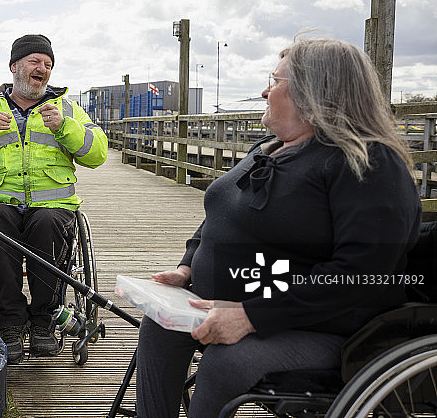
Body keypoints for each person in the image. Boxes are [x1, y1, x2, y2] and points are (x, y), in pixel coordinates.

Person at [135, 37, 421, 418]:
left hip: (326, 330)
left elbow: (361, 272)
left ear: (314, 93)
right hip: (239, 304)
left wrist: (252, 315)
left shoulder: (365, 162)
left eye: (275, 80)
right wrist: (187, 266)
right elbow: (221, 213)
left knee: (226, 362)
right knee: (159, 328)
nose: (264, 91)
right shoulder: (269, 148)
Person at [0, 34, 108, 364]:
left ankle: (44, 321)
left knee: (47, 222)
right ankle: (10, 322)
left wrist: (66, 128)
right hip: (0, 202)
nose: (42, 69)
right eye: (35, 61)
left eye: (48, 64)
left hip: (52, 206)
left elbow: (98, 153)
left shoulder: (67, 109)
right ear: (15, 66)